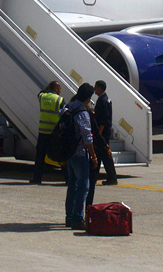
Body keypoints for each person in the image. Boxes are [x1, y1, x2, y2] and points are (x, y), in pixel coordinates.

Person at [62, 83, 97, 230]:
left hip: (68, 152)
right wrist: (94, 156)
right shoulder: (82, 112)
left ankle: (69, 217)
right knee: (84, 185)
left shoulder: (68, 107)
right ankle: (77, 217)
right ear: (88, 97)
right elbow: (87, 137)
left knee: (72, 185)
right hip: (80, 153)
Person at [30, 80, 64, 184]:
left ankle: (37, 178)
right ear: (56, 89)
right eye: (59, 89)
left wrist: (48, 87)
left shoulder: (42, 97)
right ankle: (68, 178)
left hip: (43, 132)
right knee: (60, 155)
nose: (60, 91)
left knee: (40, 156)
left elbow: (40, 92)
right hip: (54, 133)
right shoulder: (60, 100)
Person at [92, 79, 118, 186]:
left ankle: (111, 178)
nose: (94, 89)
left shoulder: (102, 101)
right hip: (105, 132)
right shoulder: (106, 99)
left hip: (103, 132)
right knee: (102, 154)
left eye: (95, 87)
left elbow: (103, 118)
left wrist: (99, 133)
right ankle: (97, 176)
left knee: (104, 154)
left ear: (99, 88)